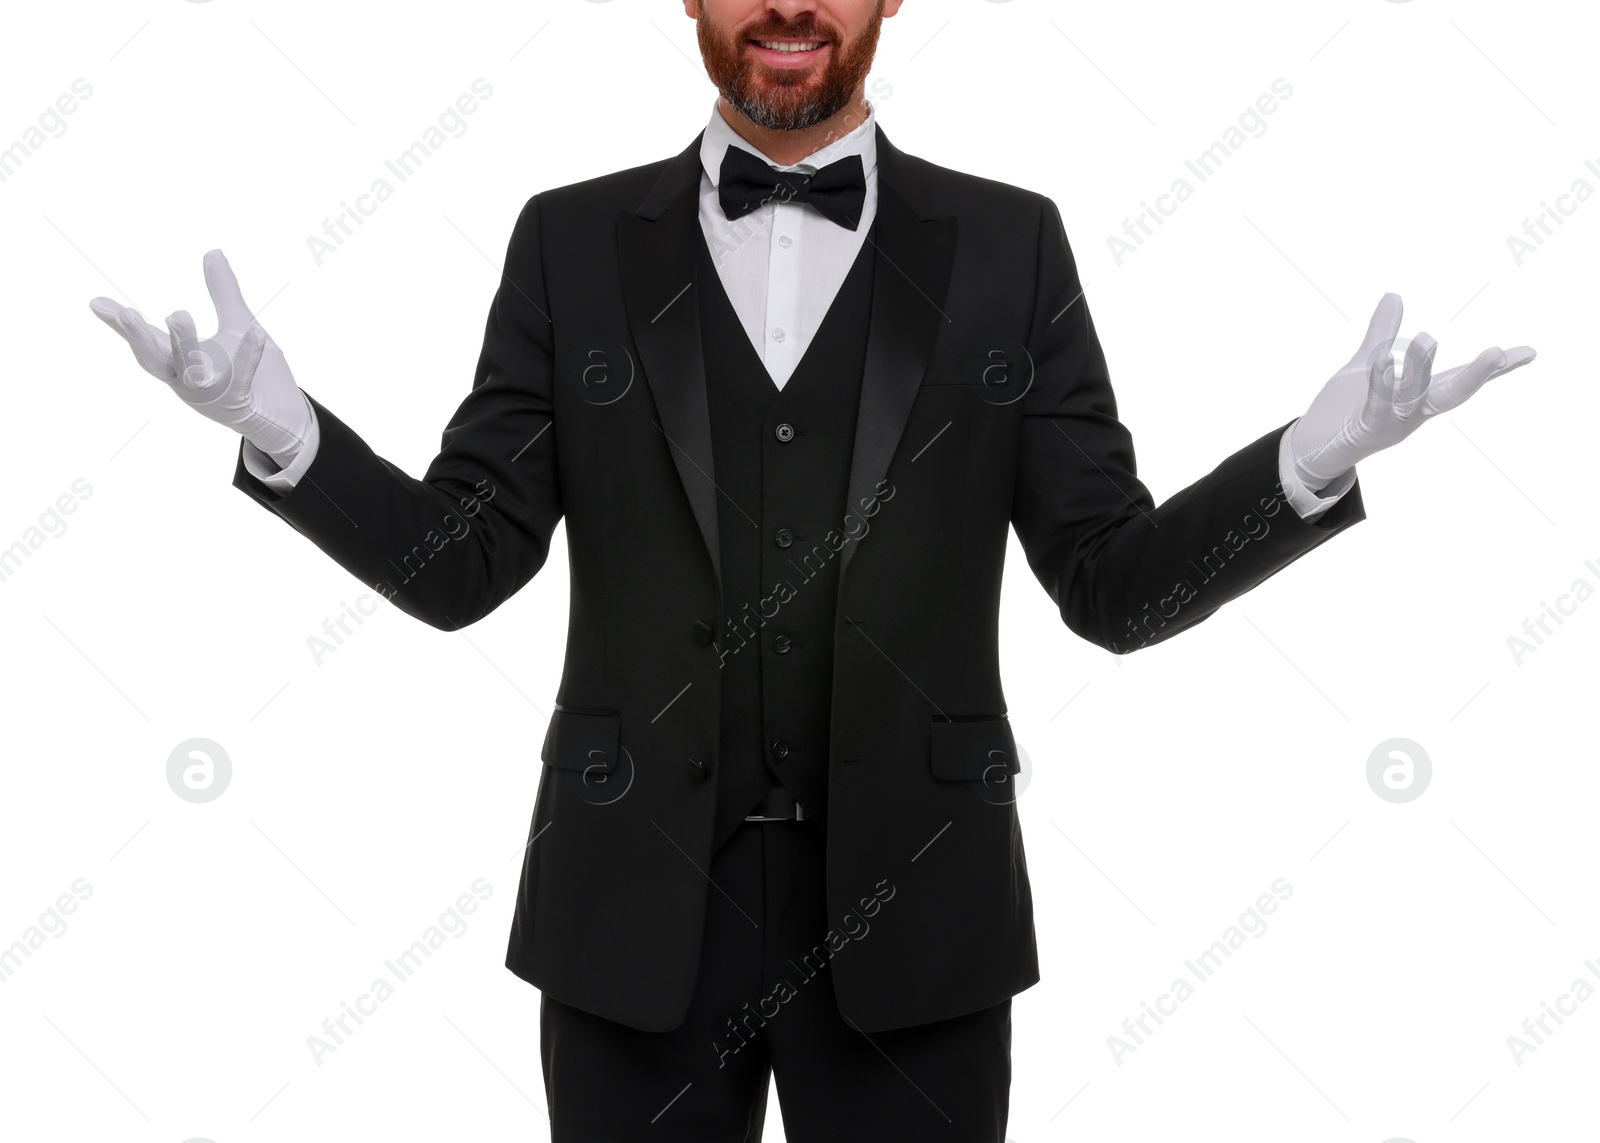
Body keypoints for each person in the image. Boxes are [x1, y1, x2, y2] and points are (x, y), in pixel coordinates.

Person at [89, 1, 1537, 1138]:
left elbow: (1112, 581)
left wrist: (1309, 462)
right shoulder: (570, 239)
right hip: (629, 916)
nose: (790, 6)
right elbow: (464, 563)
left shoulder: (1009, 247)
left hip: (921, 916)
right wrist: (281, 428)